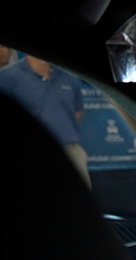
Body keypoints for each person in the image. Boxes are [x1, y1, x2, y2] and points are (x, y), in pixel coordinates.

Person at [0, 53, 89, 185]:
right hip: (29, 152)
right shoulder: (8, 76)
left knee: (79, 196)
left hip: (70, 151)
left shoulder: (68, 76)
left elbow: (77, 111)